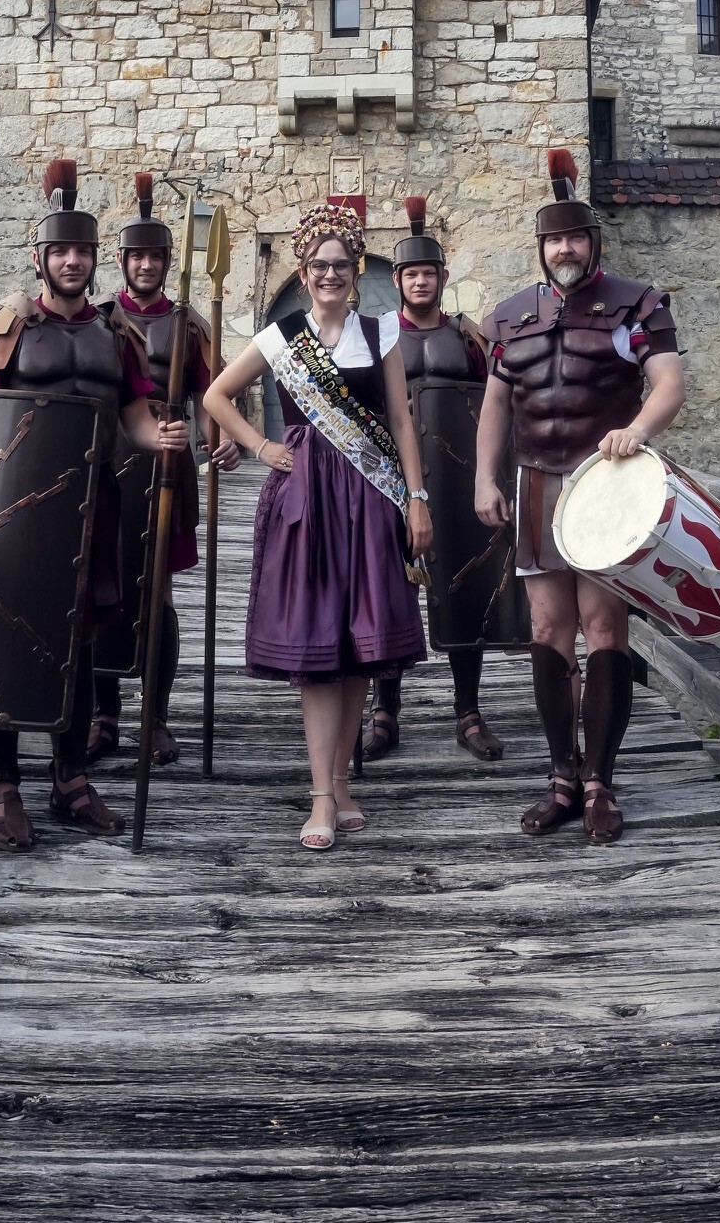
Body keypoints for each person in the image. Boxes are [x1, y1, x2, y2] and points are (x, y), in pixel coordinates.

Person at [0, 158, 190, 850]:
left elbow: (133, 411)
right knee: (1, 640)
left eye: (82, 251)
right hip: (15, 511)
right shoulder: (7, 326)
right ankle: (3, 786)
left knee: (79, 643)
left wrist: (160, 434)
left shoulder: (115, 337)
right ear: (41, 259)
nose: (73, 261)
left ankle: (70, 779)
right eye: (61, 251)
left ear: (94, 258)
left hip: (92, 507)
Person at [202, 201, 432, 852]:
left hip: (371, 499)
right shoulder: (281, 337)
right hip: (307, 500)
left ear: (356, 271)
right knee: (320, 650)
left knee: (360, 649)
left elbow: (401, 420)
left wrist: (416, 498)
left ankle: (341, 783)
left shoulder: (380, 333)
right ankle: (320, 797)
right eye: (319, 265)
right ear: (303, 274)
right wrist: (259, 445)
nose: (331, 274)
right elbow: (216, 395)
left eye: (341, 265)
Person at [475, 150, 685, 844]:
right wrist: (484, 478)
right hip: (537, 482)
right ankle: (562, 777)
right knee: (546, 631)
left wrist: (636, 431)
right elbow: (496, 406)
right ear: (540, 248)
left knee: (603, 630)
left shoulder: (637, 305)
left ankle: (600, 782)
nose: (564, 249)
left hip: (606, 486)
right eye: (553, 240)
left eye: (574, 237)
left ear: (594, 242)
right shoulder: (509, 318)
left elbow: (669, 385)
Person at [361, 195, 519, 764]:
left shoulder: (469, 340)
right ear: (397, 280)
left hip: (455, 478)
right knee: (388, 588)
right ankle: (385, 709)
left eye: (428, 273)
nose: (420, 281)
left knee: (462, 586)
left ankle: (468, 710)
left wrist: (492, 475)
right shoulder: (376, 338)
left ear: (443, 278)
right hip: (391, 478)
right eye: (411, 274)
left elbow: (497, 402)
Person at [90, 173, 239, 767]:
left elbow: (212, 395)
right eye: (138, 256)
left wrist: (221, 439)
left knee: (158, 595)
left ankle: (154, 718)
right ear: (122, 262)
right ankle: (104, 716)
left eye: (155, 257)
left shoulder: (189, 326)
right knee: (102, 587)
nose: (147, 265)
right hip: (109, 465)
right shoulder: (99, 323)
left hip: (169, 469)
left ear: (166, 262)